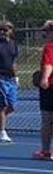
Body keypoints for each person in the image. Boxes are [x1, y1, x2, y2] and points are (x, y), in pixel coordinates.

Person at [34, 20, 53, 160]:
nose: (45, 33)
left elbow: (48, 64)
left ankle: (46, 152)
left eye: (47, 30)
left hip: (50, 87)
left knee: (47, 119)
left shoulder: (49, 47)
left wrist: (44, 78)